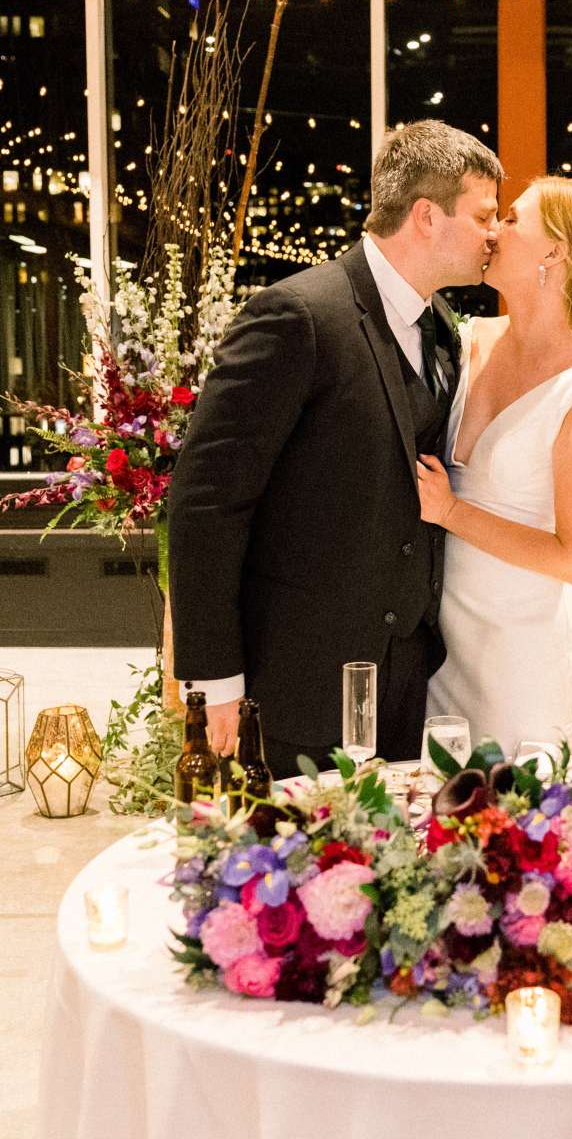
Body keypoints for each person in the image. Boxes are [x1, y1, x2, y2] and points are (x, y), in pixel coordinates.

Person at [168, 121, 502, 777]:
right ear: (427, 216)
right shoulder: (298, 315)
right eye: (485, 214)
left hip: (405, 683)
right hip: (296, 682)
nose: (496, 233)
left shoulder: (442, 332)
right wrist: (215, 680)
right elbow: (207, 502)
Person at [417, 177, 572, 755]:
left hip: (525, 646)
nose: (494, 230)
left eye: (512, 219)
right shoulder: (468, 340)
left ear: (555, 250)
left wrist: (452, 511)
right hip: (444, 639)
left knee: (519, 819)